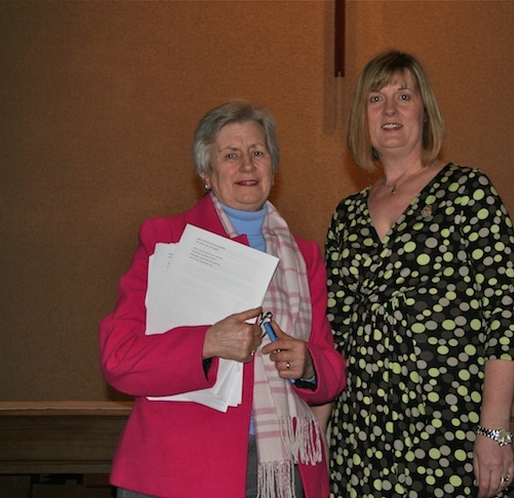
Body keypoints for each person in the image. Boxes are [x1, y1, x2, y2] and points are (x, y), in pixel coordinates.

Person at [99, 100, 346, 498]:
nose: (247, 165)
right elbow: (119, 359)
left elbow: (332, 373)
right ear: (206, 175)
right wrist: (206, 344)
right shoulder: (167, 241)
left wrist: (308, 364)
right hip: (180, 471)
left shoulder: (305, 256)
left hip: (282, 470)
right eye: (230, 155)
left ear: (272, 167)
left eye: (257, 153)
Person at [323, 50, 514, 498]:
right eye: (376, 99)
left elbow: (503, 320)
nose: (390, 110)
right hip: (359, 436)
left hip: (448, 431)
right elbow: (331, 335)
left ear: (425, 113)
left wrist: (494, 431)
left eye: (403, 96)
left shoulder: (470, 193)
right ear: (363, 118)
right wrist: (317, 437)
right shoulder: (346, 216)